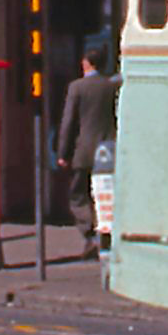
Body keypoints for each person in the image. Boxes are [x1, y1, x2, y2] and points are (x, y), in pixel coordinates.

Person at [53, 40, 119, 253]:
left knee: (79, 194)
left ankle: (89, 232)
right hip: (109, 150)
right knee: (105, 193)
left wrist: (63, 152)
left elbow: (69, 122)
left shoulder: (77, 88)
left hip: (83, 152)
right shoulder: (111, 86)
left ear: (86, 63)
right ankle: (106, 232)